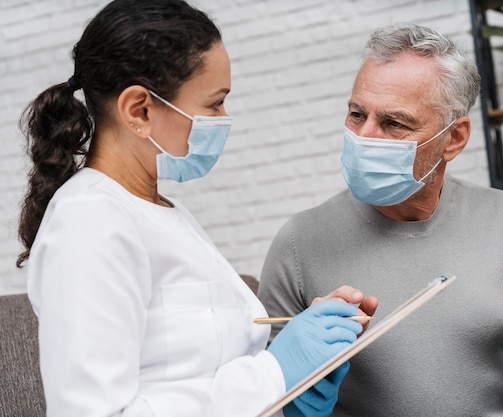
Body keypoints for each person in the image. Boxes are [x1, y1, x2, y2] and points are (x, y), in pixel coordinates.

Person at [16, 1, 377, 416]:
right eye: (214, 103)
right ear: (140, 110)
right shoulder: (88, 223)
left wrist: (293, 383)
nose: (223, 118)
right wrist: (274, 374)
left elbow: (197, 365)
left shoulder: (160, 211)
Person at [258, 23, 503, 416]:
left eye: (393, 123)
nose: (364, 136)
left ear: (454, 139)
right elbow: (262, 396)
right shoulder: (298, 242)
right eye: (356, 114)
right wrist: (300, 381)